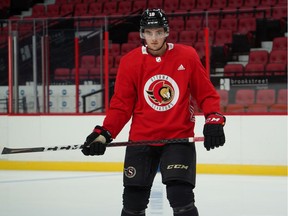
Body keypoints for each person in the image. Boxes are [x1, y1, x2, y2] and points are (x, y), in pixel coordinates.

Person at [81, 8, 226, 216]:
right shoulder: (130, 62)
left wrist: (214, 119)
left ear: (166, 32)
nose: (154, 38)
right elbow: (121, 105)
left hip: (178, 138)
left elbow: (206, 94)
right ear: (142, 34)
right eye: (149, 33)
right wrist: (104, 133)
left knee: (181, 198)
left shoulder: (187, 56)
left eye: (158, 32)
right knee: (133, 203)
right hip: (141, 140)